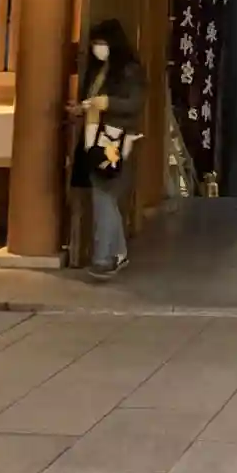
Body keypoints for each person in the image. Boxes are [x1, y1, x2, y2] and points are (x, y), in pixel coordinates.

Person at [70, 17, 146, 280]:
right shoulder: (97, 70)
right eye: (95, 44)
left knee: (103, 194)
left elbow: (135, 104)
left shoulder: (129, 71)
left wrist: (107, 102)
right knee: (103, 195)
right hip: (93, 135)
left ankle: (103, 257)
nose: (97, 48)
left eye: (102, 43)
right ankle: (118, 253)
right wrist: (82, 108)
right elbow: (92, 101)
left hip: (113, 138)